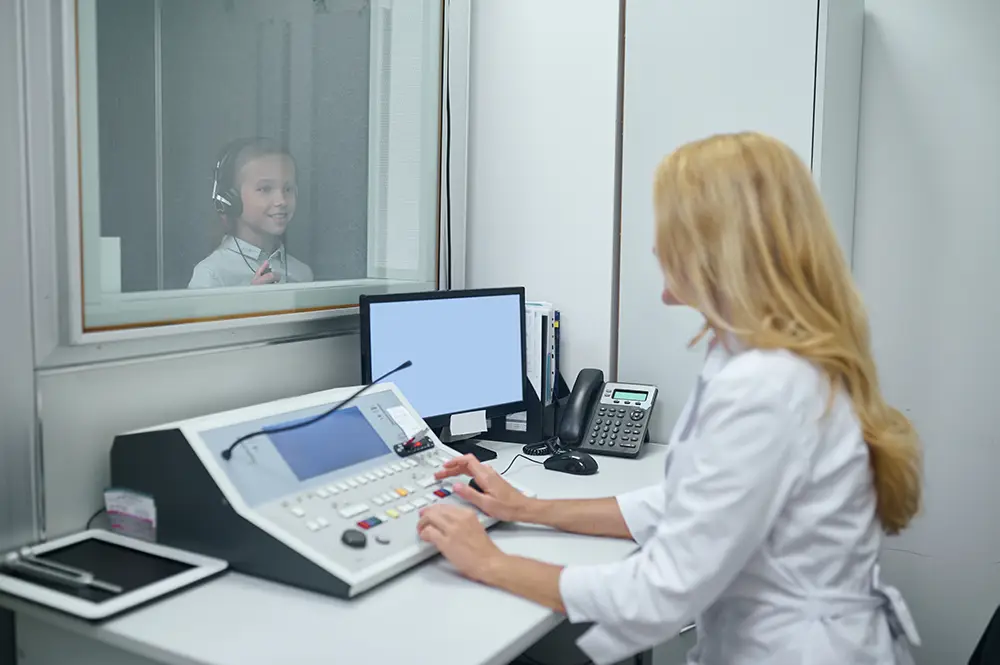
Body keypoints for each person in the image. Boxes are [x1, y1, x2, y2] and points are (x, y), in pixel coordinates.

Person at [417, 132, 924, 664]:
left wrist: (489, 562)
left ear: (714, 245)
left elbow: (658, 593)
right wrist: (528, 507)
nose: (657, 245)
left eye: (668, 227)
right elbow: (684, 503)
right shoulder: (758, 356)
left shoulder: (767, 384)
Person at [189, 137, 314, 288]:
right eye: (265, 189)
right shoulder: (212, 275)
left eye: (288, 189)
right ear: (231, 199)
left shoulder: (302, 274)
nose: (281, 200)